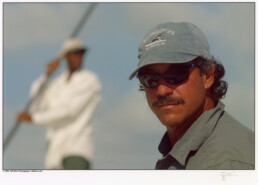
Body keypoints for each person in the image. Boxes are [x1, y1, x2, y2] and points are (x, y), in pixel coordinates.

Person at [129, 22, 254, 170]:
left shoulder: (224, 164)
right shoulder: (189, 153)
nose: (162, 90)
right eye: (150, 79)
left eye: (175, 75)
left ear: (207, 76)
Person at [17, 38, 101, 170]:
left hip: (76, 149)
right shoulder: (55, 84)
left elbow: (70, 111)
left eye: (81, 53)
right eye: (75, 53)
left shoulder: (90, 80)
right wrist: (47, 75)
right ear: (65, 56)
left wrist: (33, 119)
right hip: (54, 153)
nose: (79, 57)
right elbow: (35, 106)